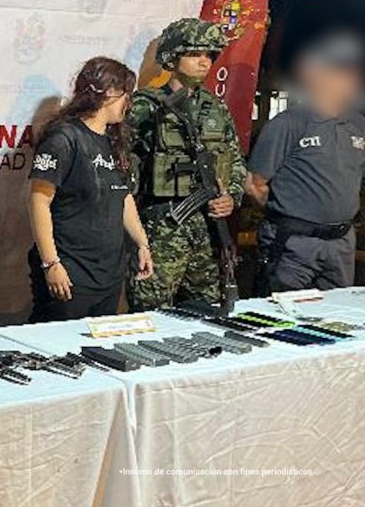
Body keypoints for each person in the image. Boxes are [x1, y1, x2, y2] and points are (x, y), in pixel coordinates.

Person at [127, 18, 247, 311]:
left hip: (207, 230)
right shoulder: (146, 105)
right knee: (151, 310)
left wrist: (230, 197)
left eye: (208, 55)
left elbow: (234, 162)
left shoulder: (216, 109)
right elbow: (122, 166)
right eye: (194, 54)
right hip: (162, 225)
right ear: (172, 56)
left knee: (206, 311)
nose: (204, 62)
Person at [29, 58, 154, 322]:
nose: (128, 103)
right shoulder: (63, 138)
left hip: (109, 275)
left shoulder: (116, 139)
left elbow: (124, 196)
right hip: (70, 273)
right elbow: (39, 201)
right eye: (126, 95)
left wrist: (142, 243)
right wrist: (51, 263)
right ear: (109, 93)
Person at [247, 30, 365, 291]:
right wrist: (286, 217)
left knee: (337, 320)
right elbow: (255, 184)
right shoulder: (288, 124)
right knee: (279, 317)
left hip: (341, 244)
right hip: (293, 245)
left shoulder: (358, 125)